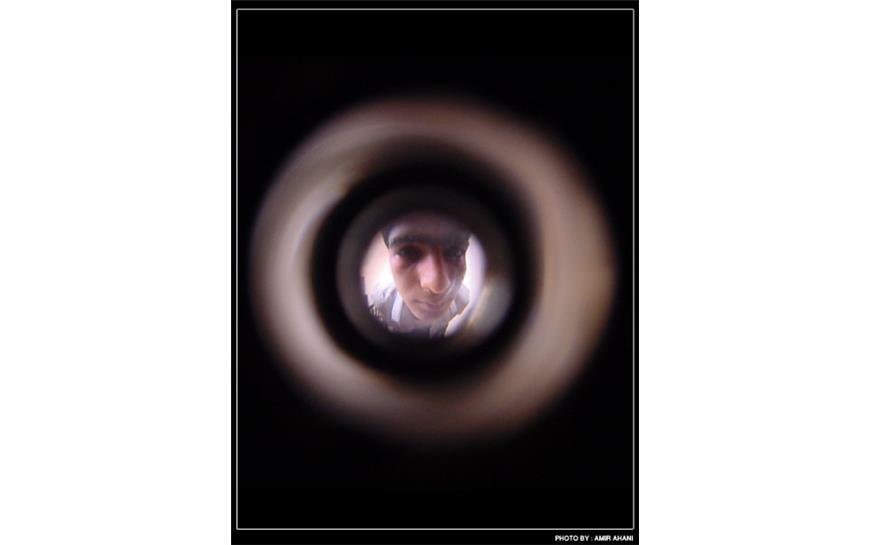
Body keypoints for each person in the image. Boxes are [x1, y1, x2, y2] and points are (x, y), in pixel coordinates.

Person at [368, 211, 471, 337]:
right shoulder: (382, 301)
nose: (438, 287)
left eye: (455, 252)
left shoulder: (461, 300)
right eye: (408, 252)